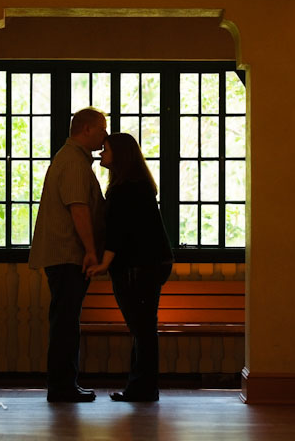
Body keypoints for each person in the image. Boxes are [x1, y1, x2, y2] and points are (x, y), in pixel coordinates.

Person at [28, 107, 108, 403]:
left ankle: (63, 384)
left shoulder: (70, 158)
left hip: (64, 255)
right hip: (67, 255)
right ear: (86, 129)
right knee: (65, 323)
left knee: (65, 320)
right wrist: (90, 251)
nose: (104, 134)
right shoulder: (74, 162)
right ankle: (62, 386)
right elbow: (78, 208)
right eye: (101, 128)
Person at [86, 132, 173, 402]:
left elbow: (119, 231)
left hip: (137, 267)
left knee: (142, 329)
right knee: (144, 328)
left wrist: (104, 263)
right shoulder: (138, 185)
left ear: (120, 156)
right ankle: (142, 387)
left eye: (106, 150)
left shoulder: (127, 188)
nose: (101, 154)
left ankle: (143, 388)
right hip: (150, 264)